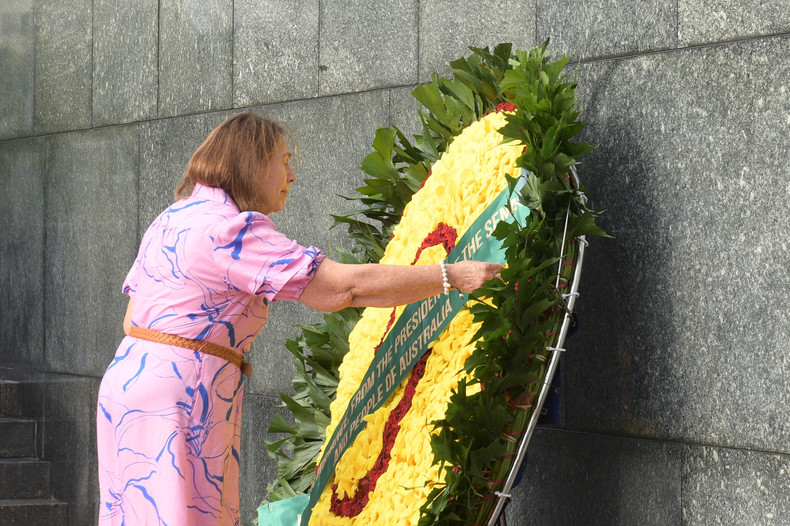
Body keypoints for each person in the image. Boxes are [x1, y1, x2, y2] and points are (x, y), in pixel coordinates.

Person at [96, 112, 501, 526]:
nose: (292, 175)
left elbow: (132, 319)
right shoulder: (230, 228)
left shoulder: (172, 218)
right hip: (179, 397)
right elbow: (343, 289)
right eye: (284, 161)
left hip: (127, 386)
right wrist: (451, 275)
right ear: (251, 164)